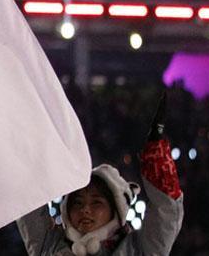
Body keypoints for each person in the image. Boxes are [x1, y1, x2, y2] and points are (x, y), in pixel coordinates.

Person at [16, 93, 184, 255]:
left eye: (96, 203)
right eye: (78, 203)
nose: (85, 210)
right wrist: (25, 138)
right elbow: (27, 195)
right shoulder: (49, 247)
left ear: (116, 209)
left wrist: (156, 155)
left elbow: (166, 212)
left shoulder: (139, 249)